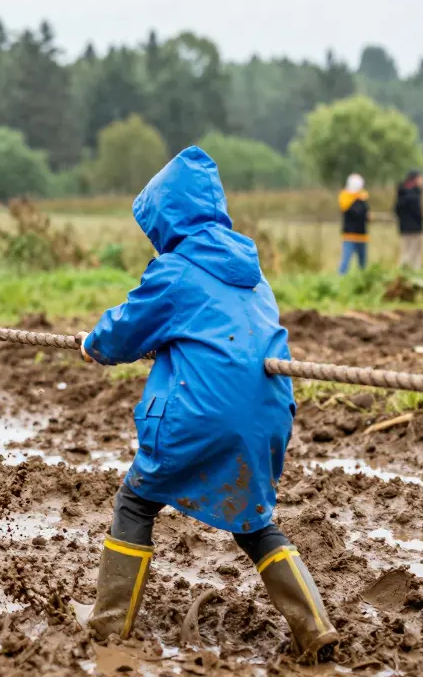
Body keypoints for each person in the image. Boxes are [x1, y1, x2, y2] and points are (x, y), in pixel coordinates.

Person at [71, 147, 339, 662]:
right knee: (255, 520)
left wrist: (94, 343)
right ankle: (314, 625)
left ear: (166, 218)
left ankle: (108, 625)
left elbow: (124, 332)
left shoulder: (174, 270)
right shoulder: (252, 273)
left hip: (201, 414)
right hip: (268, 413)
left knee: (136, 500)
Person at [337, 173, 369, 275]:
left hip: (362, 234)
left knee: (363, 262)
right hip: (350, 235)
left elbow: (364, 213)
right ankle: (340, 278)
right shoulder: (346, 199)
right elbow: (357, 212)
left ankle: (363, 279)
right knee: (346, 260)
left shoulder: (362, 198)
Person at [394, 170, 423, 270]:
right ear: (415, 179)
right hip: (415, 227)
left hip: (403, 226)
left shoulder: (401, 193)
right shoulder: (415, 194)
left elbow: (396, 209)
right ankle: (412, 270)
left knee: (405, 250)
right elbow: (417, 211)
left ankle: (403, 271)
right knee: (414, 251)